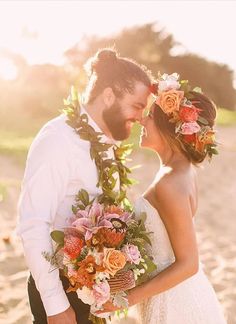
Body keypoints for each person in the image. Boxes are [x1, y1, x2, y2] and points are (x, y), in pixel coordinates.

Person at [17, 48, 152, 324]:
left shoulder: (108, 144)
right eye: (137, 105)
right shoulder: (58, 139)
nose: (140, 117)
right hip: (60, 288)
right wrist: (56, 306)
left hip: (94, 287)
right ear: (109, 95)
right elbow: (33, 225)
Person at [99, 74, 226, 323]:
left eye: (150, 116)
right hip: (173, 292)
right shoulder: (182, 169)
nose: (142, 120)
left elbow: (189, 263)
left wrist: (127, 299)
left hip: (174, 302)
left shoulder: (170, 183)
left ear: (170, 127)